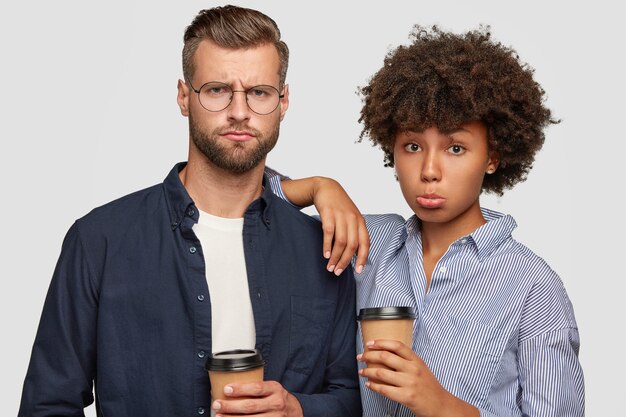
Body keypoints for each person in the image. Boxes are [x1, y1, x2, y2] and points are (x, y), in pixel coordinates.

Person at [18, 5, 362, 417]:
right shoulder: (99, 241)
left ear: (283, 101)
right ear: (184, 97)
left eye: (259, 92)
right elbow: (48, 405)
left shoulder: (323, 247)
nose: (239, 111)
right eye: (217, 90)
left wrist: (298, 410)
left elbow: (351, 396)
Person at [276, 26, 584, 416]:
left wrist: (439, 404)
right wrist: (320, 187)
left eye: (456, 148)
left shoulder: (534, 288)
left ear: (493, 157)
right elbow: (251, 201)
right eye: (413, 146)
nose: (429, 170)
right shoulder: (371, 242)